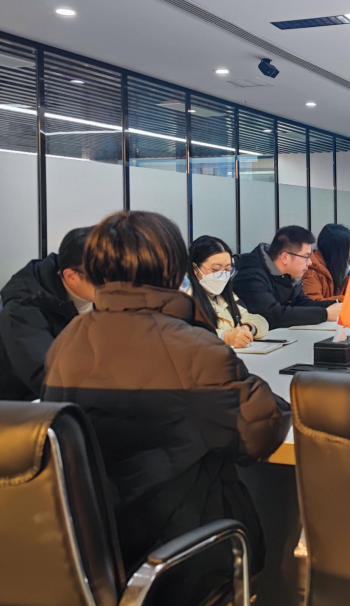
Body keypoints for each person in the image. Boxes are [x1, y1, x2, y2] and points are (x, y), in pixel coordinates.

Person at [42, 211, 291, 588]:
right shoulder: (190, 345)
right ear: (175, 270)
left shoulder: (68, 339)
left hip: (92, 554)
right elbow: (260, 433)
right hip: (185, 550)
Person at [0, 227, 96, 401]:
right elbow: (51, 380)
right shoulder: (22, 311)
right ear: (71, 276)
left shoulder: (106, 297)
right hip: (22, 406)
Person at [234, 225, 341, 328]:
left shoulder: (290, 275)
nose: (310, 263)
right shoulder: (251, 276)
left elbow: (302, 303)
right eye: (306, 257)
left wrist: (338, 305)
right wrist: (325, 314)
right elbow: (273, 315)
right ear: (285, 257)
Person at [183, 235, 268, 347]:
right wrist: (224, 337)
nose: (222, 275)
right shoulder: (182, 294)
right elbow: (182, 332)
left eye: (227, 269)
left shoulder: (223, 294)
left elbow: (257, 319)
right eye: (216, 270)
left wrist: (247, 328)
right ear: (195, 268)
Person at [304, 223, 350, 302]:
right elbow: (313, 304)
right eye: (348, 248)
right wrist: (344, 299)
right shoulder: (311, 271)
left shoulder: (336, 266)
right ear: (338, 251)